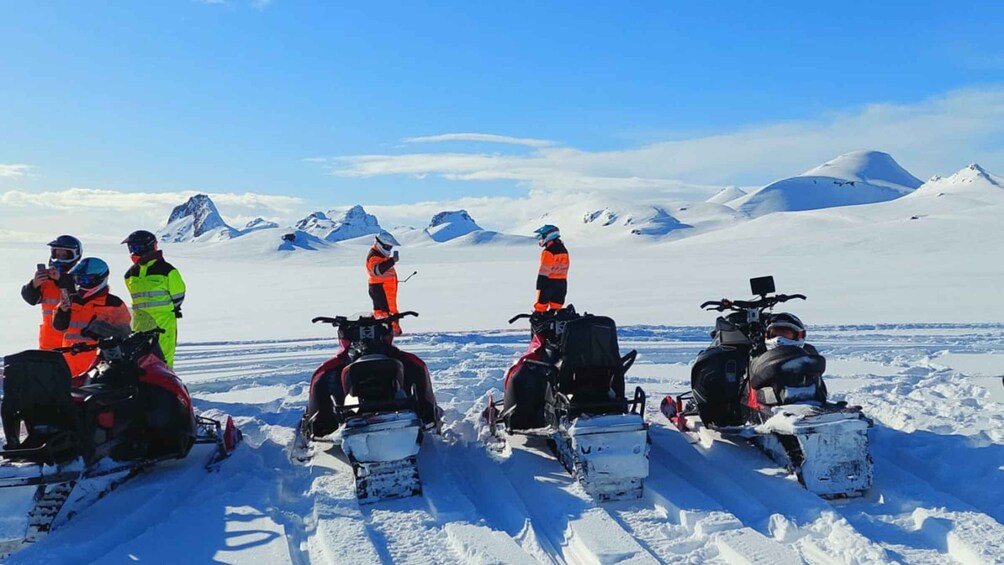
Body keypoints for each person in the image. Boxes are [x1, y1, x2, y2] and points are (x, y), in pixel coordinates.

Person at [52, 258, 131, 376]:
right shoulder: (71, 299)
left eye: (86, 280)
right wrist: (62, 311)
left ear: (100, 279)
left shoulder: (114, 304)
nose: (81, 284)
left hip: (98, 367)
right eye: (78, 279)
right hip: (70, 362)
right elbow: (59, 327)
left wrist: (101, 331)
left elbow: (125, 335)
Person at [122, 230, 186, 368]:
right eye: (131, 248)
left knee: (164, 358)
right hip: (140, 324)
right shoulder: (130, 274)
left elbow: (179, 295)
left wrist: (164, 311)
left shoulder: (167, 270)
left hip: (163, 324)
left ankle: (168, 386)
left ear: (148, 246)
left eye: (136, 247)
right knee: (139, 359)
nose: (133, 251)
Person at [21, 235, 83, 350]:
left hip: (75, 343)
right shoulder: (47, 279)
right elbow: (31, 299)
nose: (59, 258)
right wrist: (34, 284)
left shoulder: (82, 277)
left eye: (64, 255)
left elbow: (78, 290)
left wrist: (61, 279)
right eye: (57, 254)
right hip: (49, 342)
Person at [366, 233, 403, 335]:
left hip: (384, 287)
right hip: (381, 288)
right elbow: (377, 270)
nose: (389, 249)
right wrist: (392, 261)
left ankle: (387, 330)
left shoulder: (380, 254)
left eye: (390, 247)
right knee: (386, 312)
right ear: (379, 244)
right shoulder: (374, 256)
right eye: (387, 246)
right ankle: (390, 331)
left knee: (384, 311)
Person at [532, 225, 569, 312]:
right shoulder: (563, 250)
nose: (541, 238)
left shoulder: (548, 251)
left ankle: (539, 324)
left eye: (542, 236)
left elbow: (544, 270)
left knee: (540, 308)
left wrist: (540, 284)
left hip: (548, 283)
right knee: (556, 309)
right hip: (562, 283)